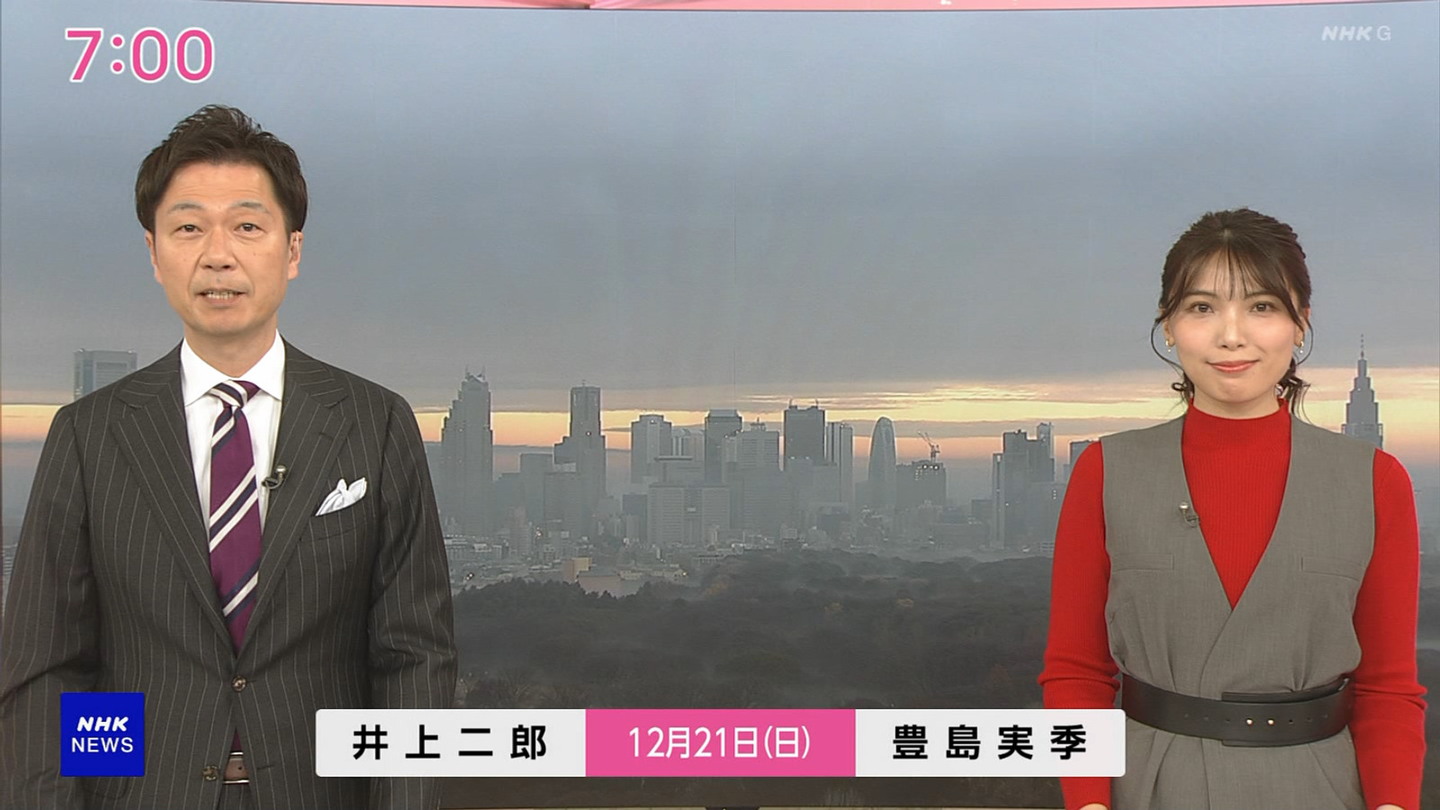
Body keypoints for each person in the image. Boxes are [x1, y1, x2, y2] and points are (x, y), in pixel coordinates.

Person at [0, 105, 458, 809]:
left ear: (292, 251)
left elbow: (413, 661)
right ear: (154, 253)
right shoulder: (88, 436)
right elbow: (49, 671)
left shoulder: (377, 424)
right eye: (188, 228)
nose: (218, 255)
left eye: (247, 226)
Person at [1039, 208, 1425, 810]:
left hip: (1317, 786)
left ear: (1300, 323)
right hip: (1149, 784)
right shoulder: (1106, 471)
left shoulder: (1375, 481)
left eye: (1262, 306)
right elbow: (1076, 672)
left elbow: (1387, 689)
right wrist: (1088, 803)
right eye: (1202, 307)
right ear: (1169, 325)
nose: (1231, 335)